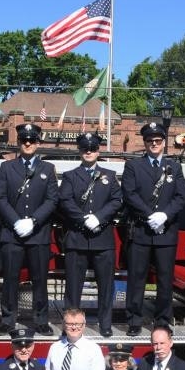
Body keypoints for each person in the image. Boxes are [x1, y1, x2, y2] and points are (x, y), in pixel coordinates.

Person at [0, 123, 59, 335]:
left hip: (38, 233)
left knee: (40, 279)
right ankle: (8, 319)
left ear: (38, 143)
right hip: (12, 234)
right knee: (10, 279)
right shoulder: (6, 167)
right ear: (19, 143)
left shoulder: (48, 169)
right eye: (23, 140)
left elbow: (52, 200)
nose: (28, 143)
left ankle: (40, 320)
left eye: (32, 140)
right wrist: (15, 221)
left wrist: (33, 221)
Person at [121, 122, 185, 335]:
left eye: (158, 141)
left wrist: (164, 215)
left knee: (165, 279)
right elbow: (130, 194)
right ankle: (134, 320)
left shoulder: (174, 167)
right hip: (140, 230)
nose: (154, 144)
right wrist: (150, 216)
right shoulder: (133, 166)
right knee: (136, 278)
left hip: (165, 232)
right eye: (150, 141)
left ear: (164, 142)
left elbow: (180, 196)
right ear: (145, 143)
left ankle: (162, 321)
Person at [57, 132, 122, 337]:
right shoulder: (70, 176)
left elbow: (117, 200)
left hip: (102, 239)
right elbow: (65, 201)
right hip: (77, 238)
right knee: (73, 288)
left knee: (105, 286)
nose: (89, 152)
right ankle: (71, 325)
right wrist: (84, 218)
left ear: (98, 150)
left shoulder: (109, 176)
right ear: (79, 151)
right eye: (85, 149)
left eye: (92, 148)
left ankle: (105, 324)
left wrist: (100, 218)